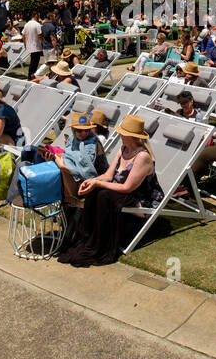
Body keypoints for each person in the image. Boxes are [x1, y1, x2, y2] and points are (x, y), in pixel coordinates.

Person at [56, 114, 161, 268]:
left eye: (122, 132)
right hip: (120, 191)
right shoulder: (123, 148)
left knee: (103, 194)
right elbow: (108, 175)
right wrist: (93, 181)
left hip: (140, 198)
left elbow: (127, 188)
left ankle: (100, 244)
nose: (119, 134)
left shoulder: (142, 157)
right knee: (93, 192)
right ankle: (88, 239)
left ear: (129, 135)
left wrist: (99, 185)